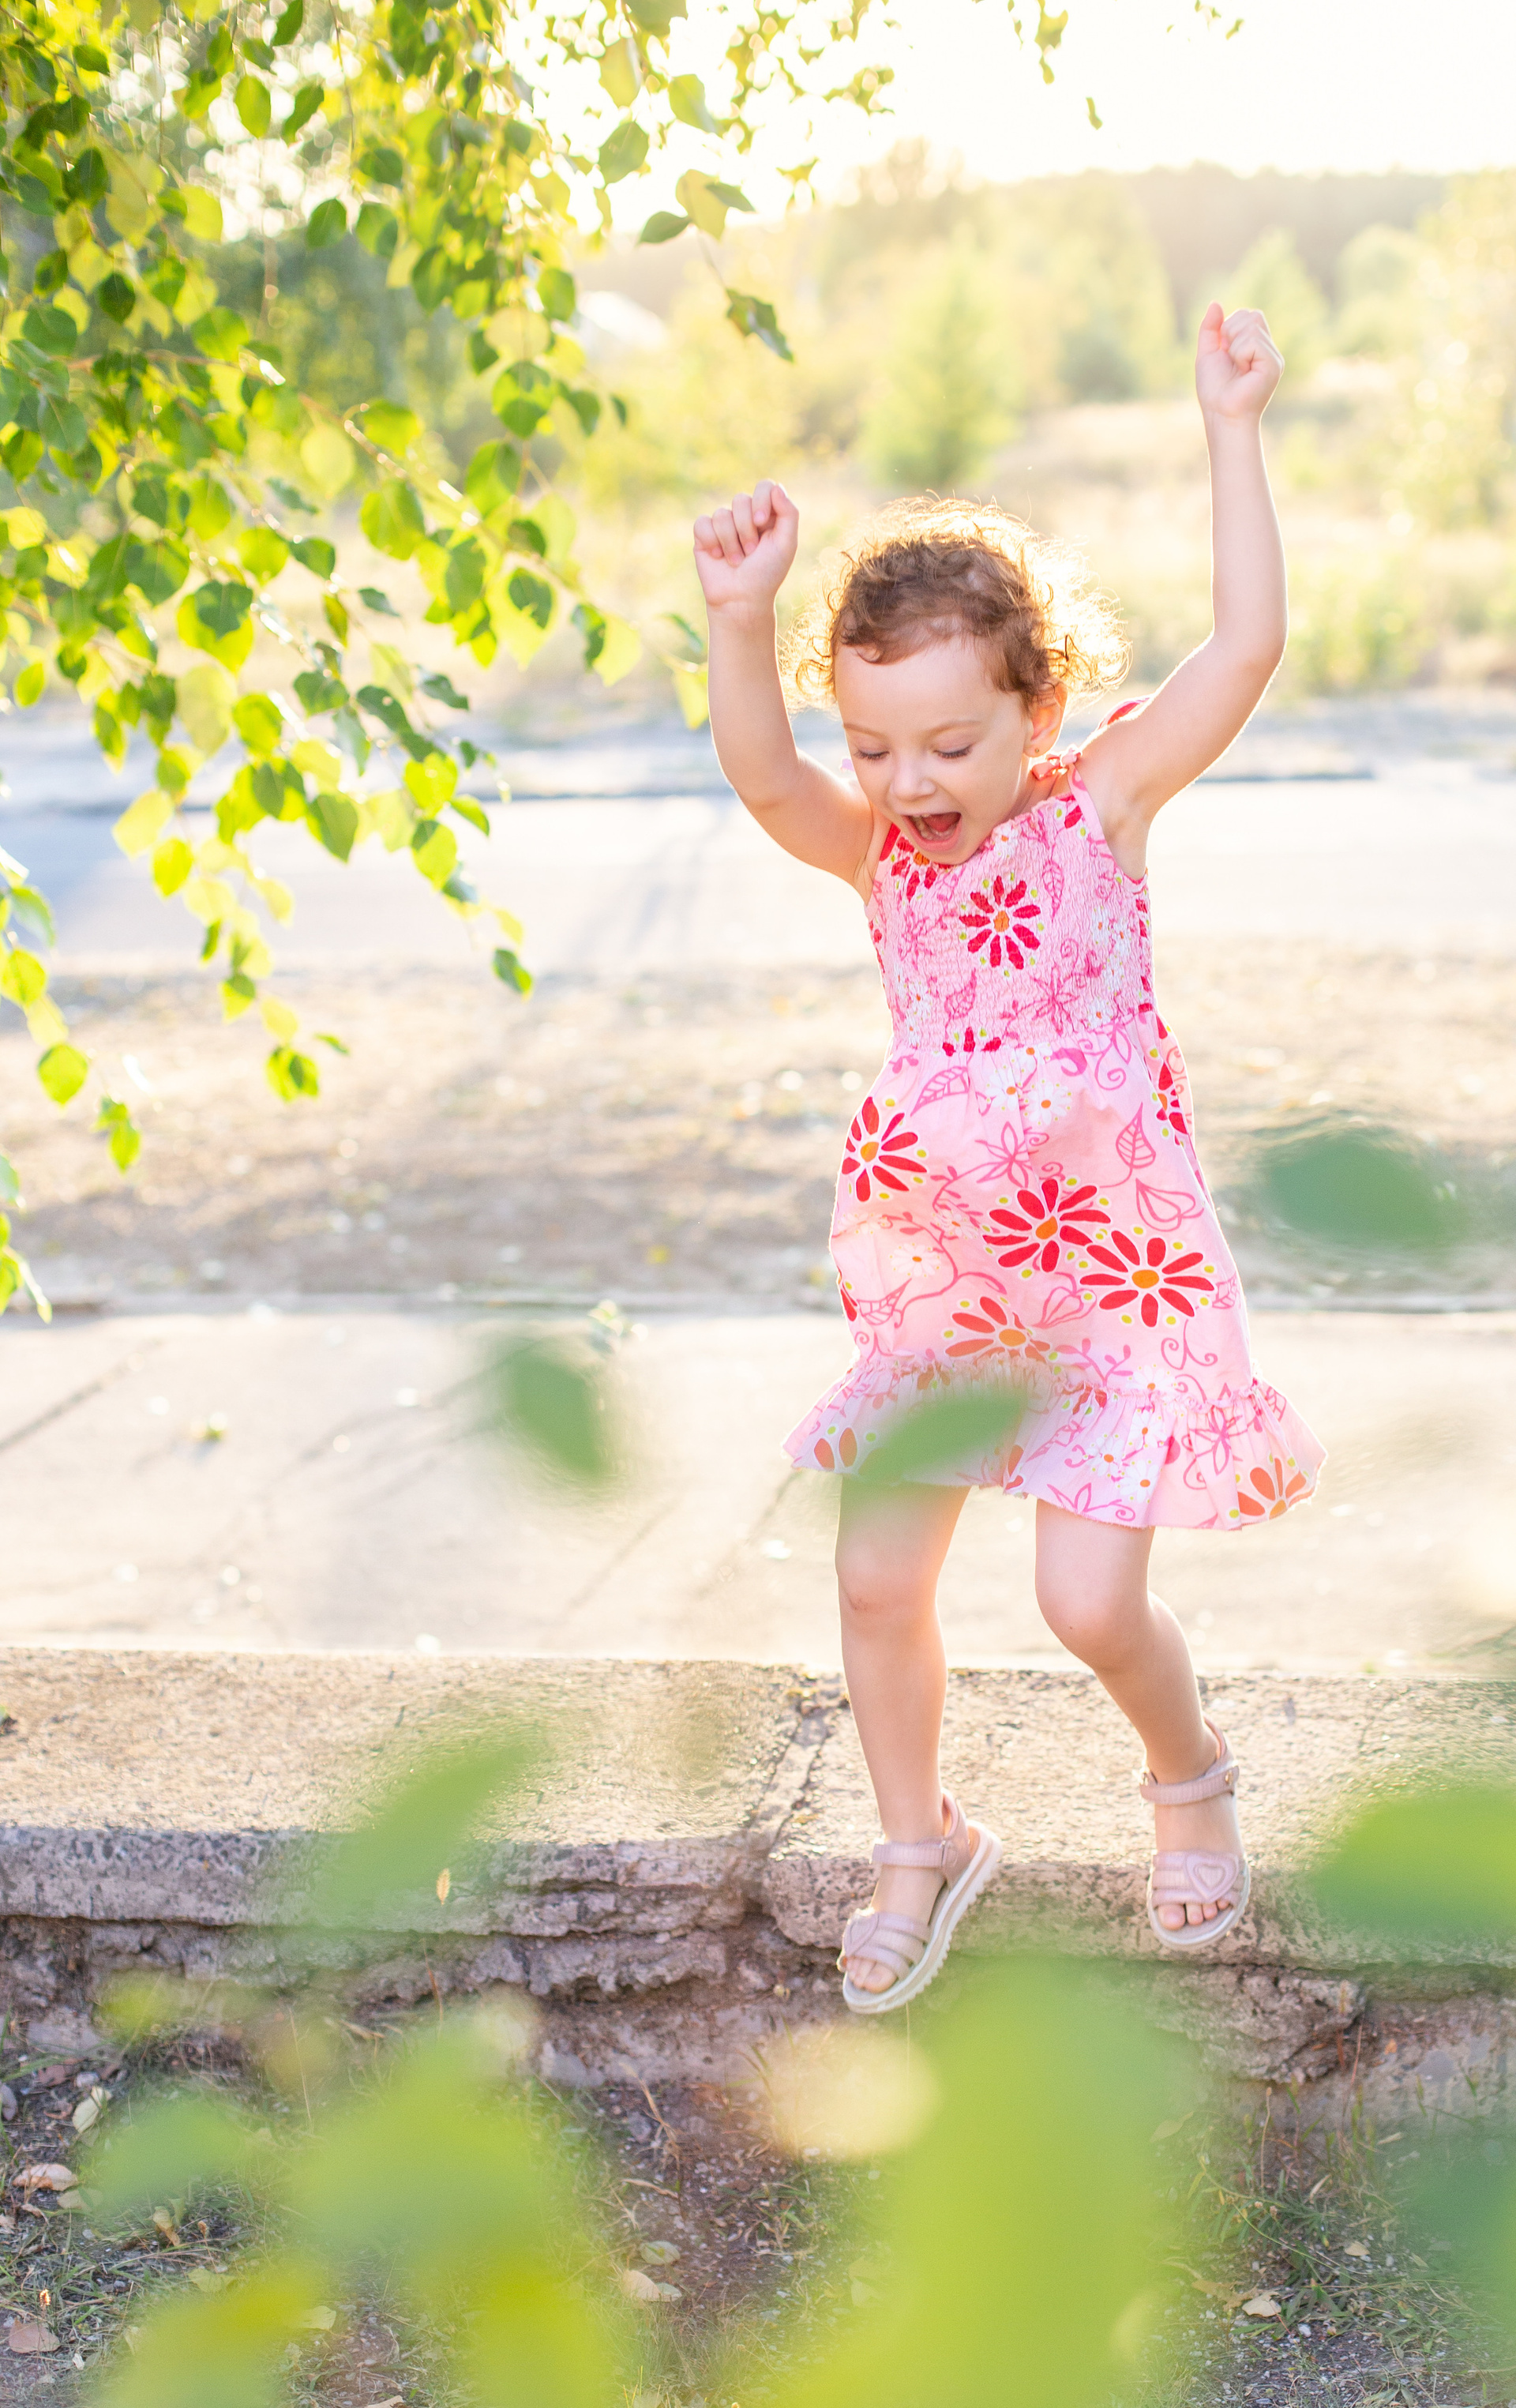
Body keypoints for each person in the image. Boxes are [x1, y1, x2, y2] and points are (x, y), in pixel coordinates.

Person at [692, 302, 1324, 2012]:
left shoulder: (1096, 807)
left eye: (950, 744)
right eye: (874, 745)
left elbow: (1246, 648)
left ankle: (1188, 1777)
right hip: (944, 1280)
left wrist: (1231, 428)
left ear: (1039, 707)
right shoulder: (881, 857)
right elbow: (762, 776)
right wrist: (740, 619)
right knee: (873, 1571)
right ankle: (923, 1840)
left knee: (1089, 1604)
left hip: (1106, 1278)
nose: (906, 780)